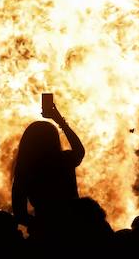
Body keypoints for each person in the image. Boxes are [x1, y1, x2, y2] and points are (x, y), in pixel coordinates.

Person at [11, 100, 85, 234]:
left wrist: (41, 225)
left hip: (44, 234)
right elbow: (79, 151)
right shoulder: (63, 161)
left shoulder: (25, 170)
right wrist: (59, 120)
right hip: (73, 227)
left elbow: (19, 213)